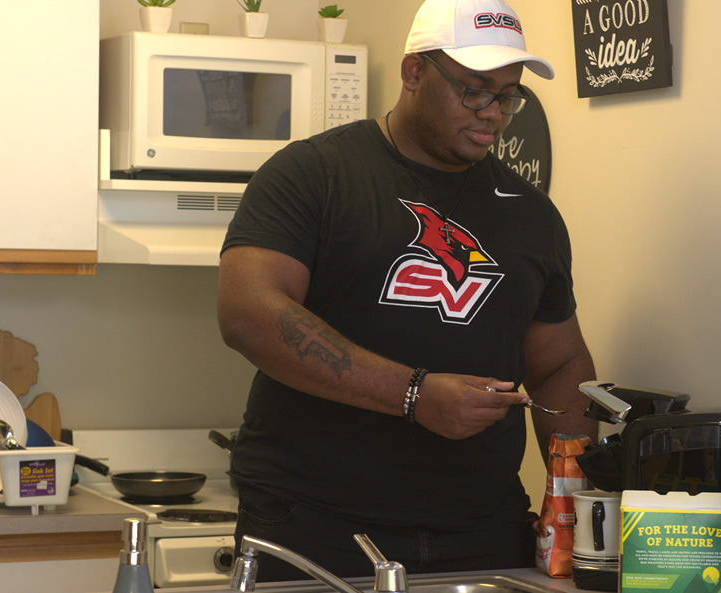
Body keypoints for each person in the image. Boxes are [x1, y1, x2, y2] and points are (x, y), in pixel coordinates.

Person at [217, 0, 598, 581]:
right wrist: (414, 395)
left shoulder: (532, 214)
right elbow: (250, 314)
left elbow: (557, 363)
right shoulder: (314, 174)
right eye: (475, 90)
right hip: (314, 522)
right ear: (414, 72)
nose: (494, 113)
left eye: (509, 95)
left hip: (481, 529)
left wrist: (574, 497)